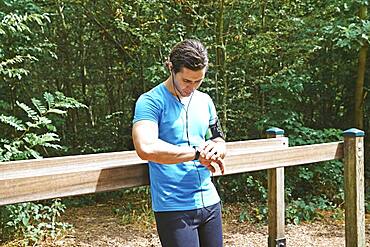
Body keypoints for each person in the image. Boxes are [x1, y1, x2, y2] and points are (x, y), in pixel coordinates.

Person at [132, 39, 227, 247]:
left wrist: (218, 148)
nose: (191, 87)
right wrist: (195, 154)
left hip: (209, 200)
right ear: (170, 68)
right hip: (173, 206)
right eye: (186, 81)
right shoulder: (150, 101)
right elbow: (146, 147)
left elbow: (219, 137)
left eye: (198, 81)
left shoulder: (205, 101)